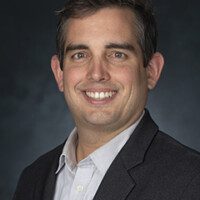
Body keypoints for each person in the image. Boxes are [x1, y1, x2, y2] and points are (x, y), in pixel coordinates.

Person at [13, 0, 200, 199]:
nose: (96, 74)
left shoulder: (192, 181)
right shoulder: (32, 178)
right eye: (80, 55)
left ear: (151, 71)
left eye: (117, 54)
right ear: (59, 74)